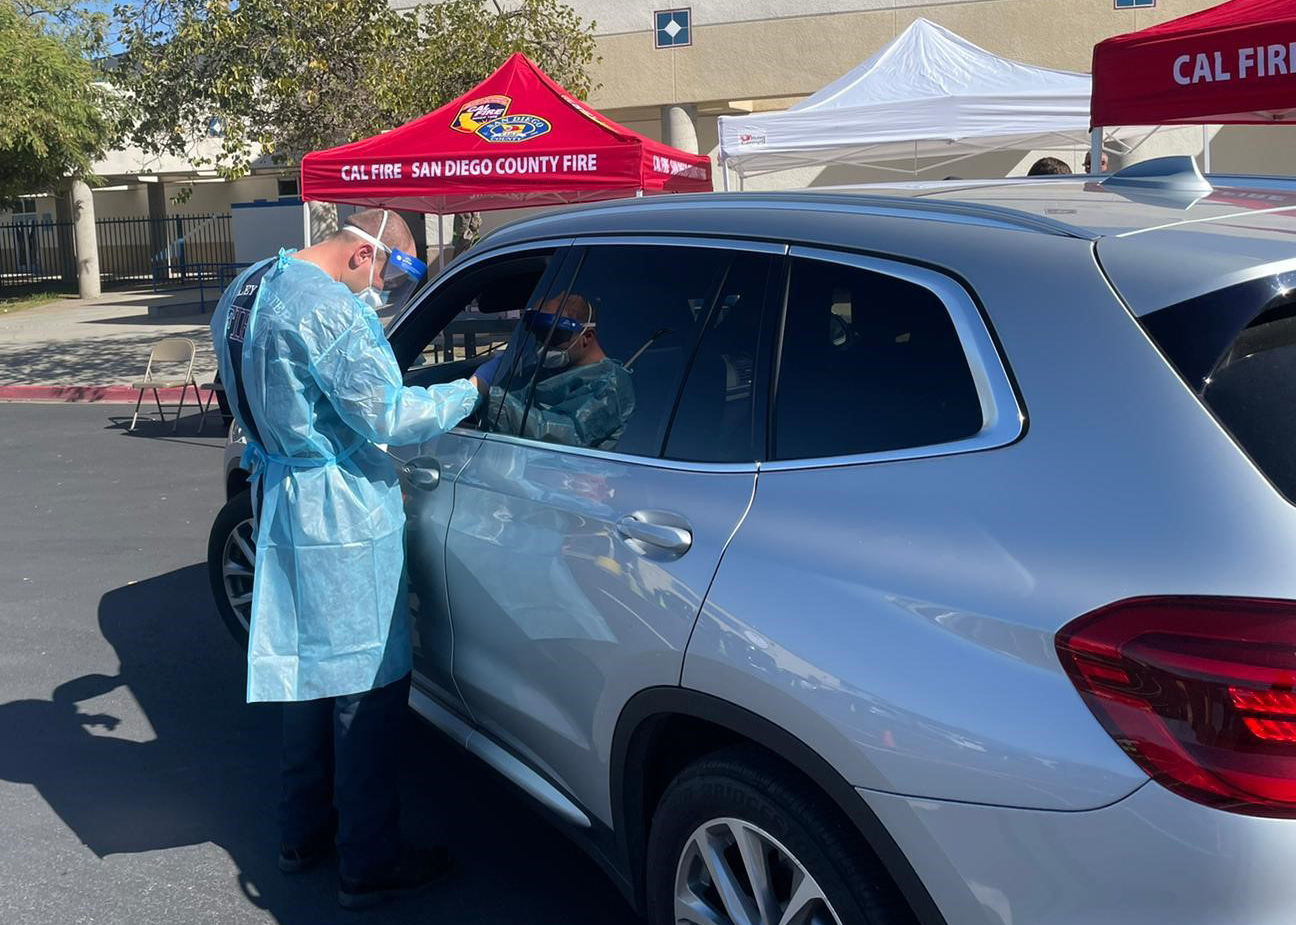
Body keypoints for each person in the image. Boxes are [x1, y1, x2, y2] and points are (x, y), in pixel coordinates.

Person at [209, 208, 481, 910]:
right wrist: (474, 389)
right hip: (339, 515)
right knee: (367, 686)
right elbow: (389, 415)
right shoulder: (331, 312)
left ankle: (300, 832)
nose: (381, 293)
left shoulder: (247, 287)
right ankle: (370, 858)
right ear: (364, 255)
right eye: (388, 275)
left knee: (309, 675)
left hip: (282, 498)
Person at [477, 293, 635, 450]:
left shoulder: (609, 385)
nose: (543, 346)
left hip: (568, 473)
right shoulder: (554, 370)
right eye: (539, 335)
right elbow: (519, 397)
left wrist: (493, 400)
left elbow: (565, 435)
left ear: (586, 336)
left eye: (555, 337)